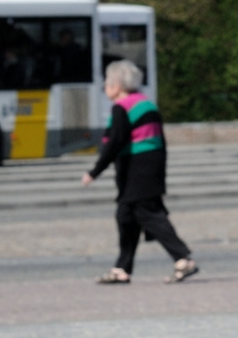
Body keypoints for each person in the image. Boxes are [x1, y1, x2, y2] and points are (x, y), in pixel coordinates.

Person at [82, 58, 200, 282]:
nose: (105, 87)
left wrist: (94, 172)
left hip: (136, 169)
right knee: (126, 215)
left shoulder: (121, 108)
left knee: (148, 214)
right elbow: (160, 141)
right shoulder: (147, 104)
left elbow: (114, 143)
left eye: (107, 83)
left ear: (116, 86)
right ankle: (122, 268)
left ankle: (183, 258)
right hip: (152, 166)